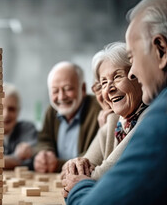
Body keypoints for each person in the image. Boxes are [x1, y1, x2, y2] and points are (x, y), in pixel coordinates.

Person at [63, 0, 167, 205]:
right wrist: (75, 168)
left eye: (133, 59)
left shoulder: (156, 118)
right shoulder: (112, 122)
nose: (134, 71)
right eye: (102, 83)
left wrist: (79, 183)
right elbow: (83, 166)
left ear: (161, 50)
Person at [61, 42, 147, 187]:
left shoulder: (148, 117)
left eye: (117, 76)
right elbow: (76, 172)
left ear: (137, 76)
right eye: (104, 82)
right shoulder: (115, 122)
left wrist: (80, 180)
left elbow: (106, 173)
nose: (109, 89)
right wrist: (76, 165)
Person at [33, 61, 101, 173]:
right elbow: (44, 139)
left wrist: (58, 164)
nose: (61, 97)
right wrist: (44, 154)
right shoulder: (52, 111)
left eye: (68, 89)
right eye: (55, 91)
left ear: (83, 89)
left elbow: (96, 154)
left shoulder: (98, 109)